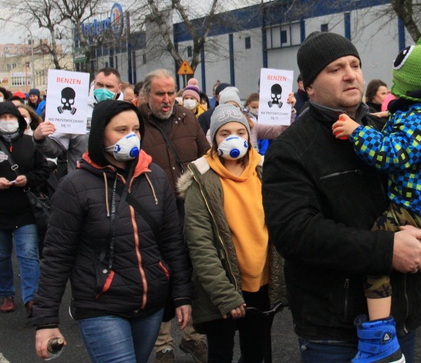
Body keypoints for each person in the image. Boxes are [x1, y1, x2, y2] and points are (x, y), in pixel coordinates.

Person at [262, 31, 421, 363]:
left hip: (403, 317)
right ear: (308, 86)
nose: (351, 74)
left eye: (355, 64)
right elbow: (296, 233)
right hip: (334, 330)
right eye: (335, 68)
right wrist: (387, 250)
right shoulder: (291, 150)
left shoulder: (391, 133)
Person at [332, 34, 421, 361]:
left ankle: (379, 335)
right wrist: (391, 120)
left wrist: (358, 131)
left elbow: (390, 154)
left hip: (415, 205)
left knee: (378, 250)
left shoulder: (420, 122)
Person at [32, 100, 193, 362]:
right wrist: (46, 320)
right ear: (99, 134)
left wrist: (182, 294)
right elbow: (57, 256)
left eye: (136, 129)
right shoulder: (74, 186)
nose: (132, 135)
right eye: (121, 129)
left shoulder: (156, 177)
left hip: (150, 304)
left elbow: (172, 241)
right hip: (101, 306)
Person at [180, 104, 285, 362]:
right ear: (213, 139)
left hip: (261, 285)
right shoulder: (201, 179)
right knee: (221, 354)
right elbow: (201, 244)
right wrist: (225, 295)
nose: (234, 138)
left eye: (240, 131)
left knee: (257, 354)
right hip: (222, 287)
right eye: (225, 133)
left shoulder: (264, 171)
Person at [137, 69, 210, 363]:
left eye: (171, 93)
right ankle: (162, 342)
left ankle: (193, 337)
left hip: (189, 208)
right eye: (160, 94)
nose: (167, 100)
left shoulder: (187, 118)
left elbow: (206, 155)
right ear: (146, 95)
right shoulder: (135, 122)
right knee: (159, 274)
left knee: (192, 271)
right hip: (150, 210)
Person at [0, 101, 52, 315]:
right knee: (0, 255)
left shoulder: (30, 144)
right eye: (3, 118)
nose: (8, 122)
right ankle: (6, 293)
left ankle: (32, 298)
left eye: (11, 118)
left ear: (19, 121)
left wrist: (27, 179)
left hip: (24, 209)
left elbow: (44, 171)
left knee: (28, 254)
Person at [33, 67, 122, 174]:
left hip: (116, 179)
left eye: (109, 86)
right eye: (100, 85)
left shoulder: (128, 113)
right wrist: (40, 139)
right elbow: (55, 150)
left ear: (119, 88)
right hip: (82, 181)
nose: (103, 90)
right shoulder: (78, 111)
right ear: (94, 84)